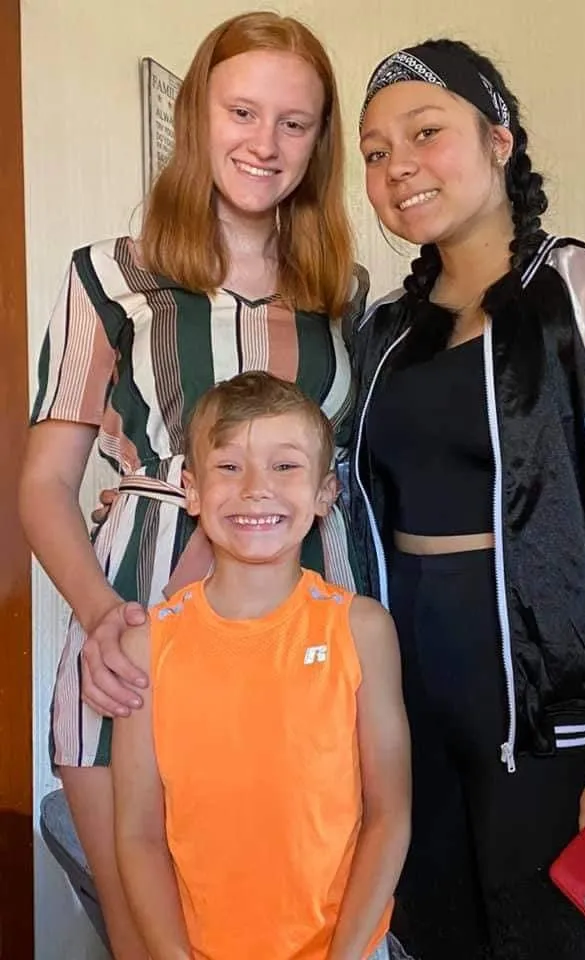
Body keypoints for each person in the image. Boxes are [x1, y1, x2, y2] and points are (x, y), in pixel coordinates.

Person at [348, 38, 585, 960]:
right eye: (374, 152)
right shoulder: (382, 333)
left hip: (555, 716)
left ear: (499, 140)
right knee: (430, 938)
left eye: (424, 133)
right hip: (406, 705)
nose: (397, 167)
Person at [19, 13, 368, 958]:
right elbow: (44, 483)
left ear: (320, 140)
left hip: (305, 639)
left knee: (302, 921)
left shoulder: (344, 290)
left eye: (295, 122)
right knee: (151, 937)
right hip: (135, 625)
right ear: (197, 117)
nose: (266, 143)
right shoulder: (109, 276)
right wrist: (102, 617)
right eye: (242, 112)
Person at [111, 371, 411, 960]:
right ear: (192, 491)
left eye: (285, 466)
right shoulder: (147, 644)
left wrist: (345, 954)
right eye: (229, 467)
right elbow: (138, 832)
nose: (255, 489)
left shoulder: (362, 630)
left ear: (325, 493)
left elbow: (390, 813)